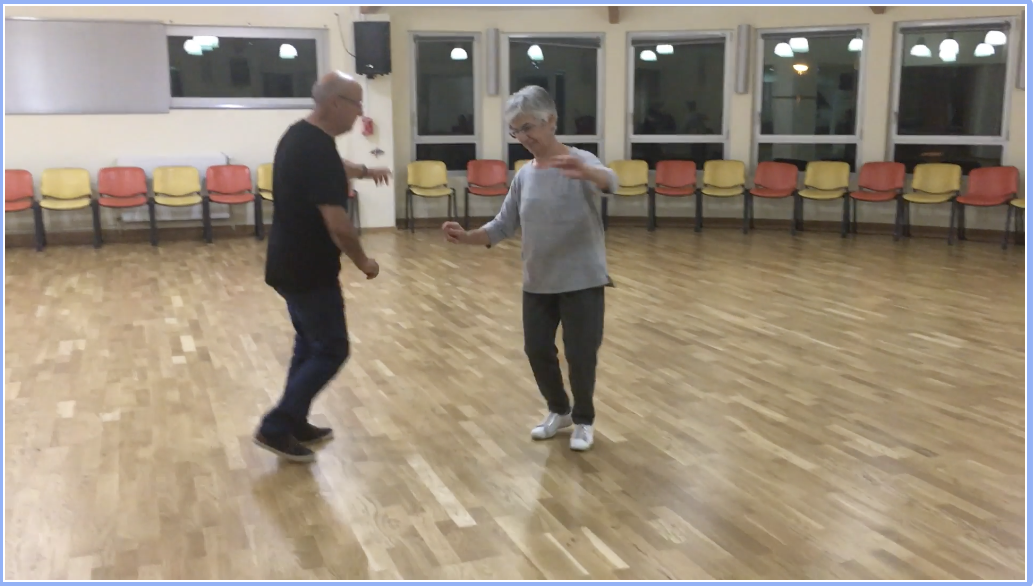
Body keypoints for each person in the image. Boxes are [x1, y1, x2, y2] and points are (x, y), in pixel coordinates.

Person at [441, 85, 616, 452]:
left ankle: (583, 420)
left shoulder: (580, 160)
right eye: (515, 131)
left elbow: (611, 182)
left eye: (527, 128)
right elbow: (502, 225)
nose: (523, 138)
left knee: (581, 354)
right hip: (538, 281)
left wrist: (588, 173)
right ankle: (559, 410)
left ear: (550, 121)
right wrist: (466, 236)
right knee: (536, 350)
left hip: (582, 279)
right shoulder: (525, 175)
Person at [257, 71, 391, 463]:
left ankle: (295, 420)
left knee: (309, 343)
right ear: (335, 103)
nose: (360, 112)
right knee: (332, 348)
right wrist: (364, 261)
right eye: (356, 103)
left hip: (288, 263)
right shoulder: (315, 148)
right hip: (307, 269)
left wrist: (366, 171)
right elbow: (339, 225)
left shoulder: (303, 136)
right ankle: (276, 426)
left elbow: (336, 166)